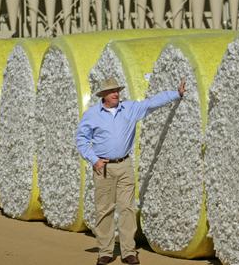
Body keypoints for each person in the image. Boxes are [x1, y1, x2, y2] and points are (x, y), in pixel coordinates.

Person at [76, 77, 186, 265]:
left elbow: (151, 103)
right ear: (103, 95)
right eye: (112, 91)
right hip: (104, 168)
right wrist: (94, 160)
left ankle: (128, 251)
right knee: (104, 210)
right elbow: (81, 139)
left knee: (127, 208)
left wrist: (176, 94)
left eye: (117, 90)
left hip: (125, 165)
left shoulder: (130, 109)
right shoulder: (92, 115)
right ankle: (105, 251)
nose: (116, 93)